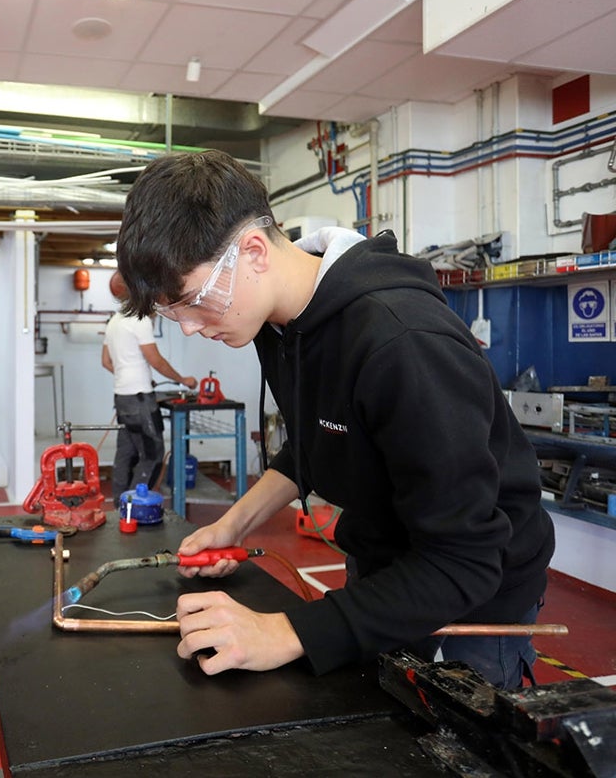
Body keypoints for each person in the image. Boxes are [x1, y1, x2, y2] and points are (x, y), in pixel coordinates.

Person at [115, 150, 555, 689]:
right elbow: (315, 443)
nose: (187, 328)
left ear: (252, 252)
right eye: (170, 313)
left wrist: (283, 632)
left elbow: (464, 561)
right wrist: (233, 524)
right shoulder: (281, 325)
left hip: (471, 593)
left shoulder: (404, 343)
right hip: (384, 564)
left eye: (193, 301)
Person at [101, 271, 197, 502]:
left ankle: (119, 506)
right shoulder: (139, 319)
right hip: (140, 400)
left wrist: (129, 375)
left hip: (122, 398)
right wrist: (183, 380)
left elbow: (105, 362)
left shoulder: (114, 320)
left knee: (126, 452)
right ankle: (134, 504)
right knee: (153, 453)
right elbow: (156, 360)